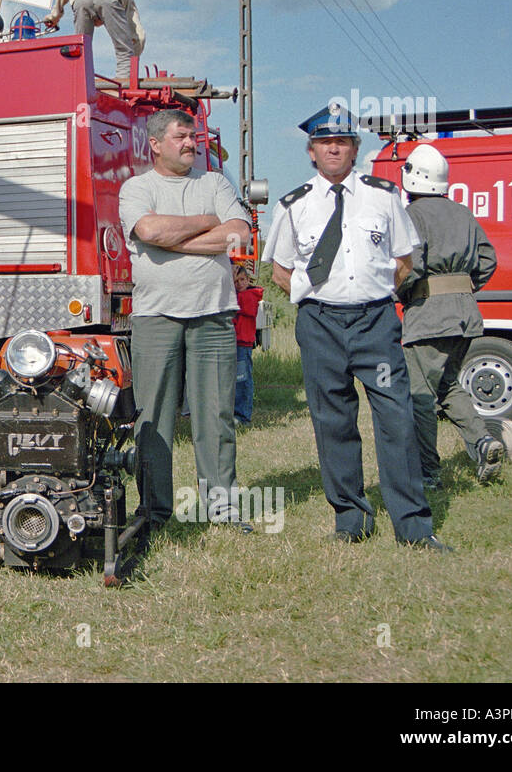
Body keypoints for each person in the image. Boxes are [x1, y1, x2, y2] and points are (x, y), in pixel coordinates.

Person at [263, 114, 450, 550]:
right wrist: (317, 300)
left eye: (343, 142)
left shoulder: (383, 197)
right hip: (321, 325)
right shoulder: (295, 204)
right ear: (311, 151)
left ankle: (413, 524)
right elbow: (279, 271)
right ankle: (351, 518)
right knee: (333, 420)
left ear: (354, 148)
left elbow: (404, 260)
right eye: (324, 143)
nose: (333, 149)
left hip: (375, 323)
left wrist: (374, 294)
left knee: (396, 418)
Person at [119, 109, 252, 531]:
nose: (192, 143)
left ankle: (222, 507)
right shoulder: (136, 188)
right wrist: (206, 223)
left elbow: (238, 236)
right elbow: (150, 232)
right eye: (181, 136)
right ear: (155, 143)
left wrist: (178, 239)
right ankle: (154, 512)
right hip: (155, 317)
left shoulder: (215, 182)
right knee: (152, 417)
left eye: (193, 136)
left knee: (216, 415)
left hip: (213, 314)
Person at [396, 143, 502, 487]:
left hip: (428, 317)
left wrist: (399, 294)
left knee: (421, 396)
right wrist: (461, 290)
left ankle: (428, 473)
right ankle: (483, 441)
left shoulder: (413, 215)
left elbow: (410, 268)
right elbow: (488, 261)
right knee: (450, 386)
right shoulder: (463, 214)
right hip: (465, 315)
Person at [44, 0, 146, 80]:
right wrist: (133, 57)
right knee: (124, 49)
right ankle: (123, 83)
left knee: (81, 50)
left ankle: (80, 82)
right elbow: (139, 35)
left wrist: (53, 17)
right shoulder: (127, 0)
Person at [232, 262, 263, 426]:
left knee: (242, 379)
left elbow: (246, 309)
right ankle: (236, 412)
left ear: (248, 279)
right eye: (236, 282)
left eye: (243, 279)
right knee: (236, 378)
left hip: (243, 343)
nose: (240, 284)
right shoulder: (241, 295)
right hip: (236, 341)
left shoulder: (250, 295)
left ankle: (243, 415)